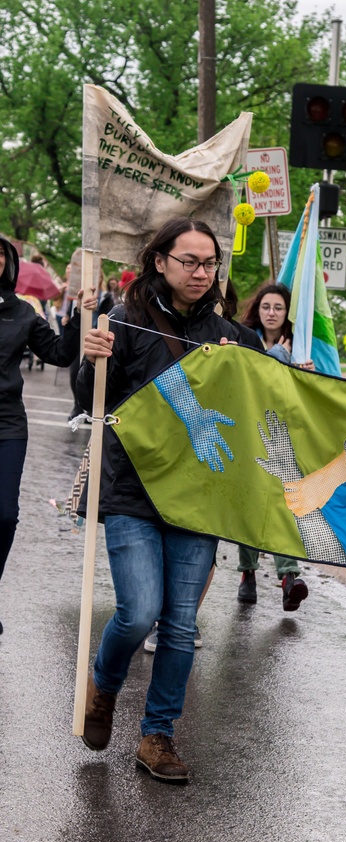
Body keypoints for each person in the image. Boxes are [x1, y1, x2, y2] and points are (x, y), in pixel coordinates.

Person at [77, 217, 264, 783]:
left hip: (198, 500)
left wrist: (279, 373)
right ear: (160, 261)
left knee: (180, 624)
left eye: (210, 264)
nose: (201, 273)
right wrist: (92, 358)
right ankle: (103, 688)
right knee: (137, 613)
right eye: (189, 261)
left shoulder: (234, 337)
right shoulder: (123, 321)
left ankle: (158, 736)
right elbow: (91, 401)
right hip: (132, 493)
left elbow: (270, 405)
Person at [0, 237, 83, 635]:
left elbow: (60, 354)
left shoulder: (23, 314)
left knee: (4, 515)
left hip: (7, 424)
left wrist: (76, 315)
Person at [233, 281, 312, 612]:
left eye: (278, 307)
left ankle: (289, 577)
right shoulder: (243, 339)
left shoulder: (302, 346)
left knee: (283, 504)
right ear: (257, 309)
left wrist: (307, 374)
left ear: (287, 312)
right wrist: (278, 358)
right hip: (250, 432)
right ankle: (247, 574)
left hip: (283, 435)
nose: (271, 312)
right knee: (251, 504)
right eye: (266, 306)